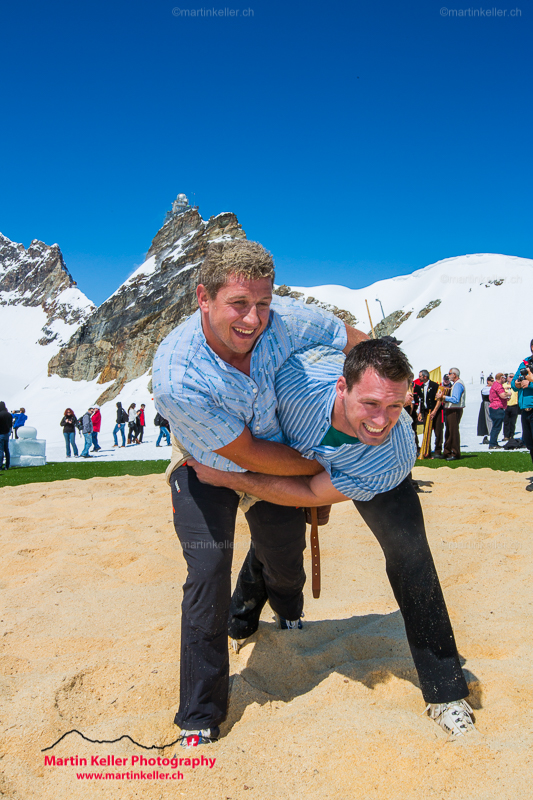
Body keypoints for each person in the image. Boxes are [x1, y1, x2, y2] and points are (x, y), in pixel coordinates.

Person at [189, 340, 475, 740]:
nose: (382, 418)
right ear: (342, 387)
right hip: (294, 451)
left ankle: (445, 693)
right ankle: (242, 620)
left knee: (411, 558)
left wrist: (231, 479)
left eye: (395, 406)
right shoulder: (294, 381)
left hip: (370, 470)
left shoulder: (391, 450)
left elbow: (311, 492)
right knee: (276, 539)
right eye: (372, 403)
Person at [152, 239, 368, 747]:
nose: (254, 319)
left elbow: (352, 339)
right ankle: (201, 712)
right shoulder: (176, 375)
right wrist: (331, 455)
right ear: (203, 297)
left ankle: (285, 607)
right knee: (206, 568)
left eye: (263, 303)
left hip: (276, 448)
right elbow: (245, 454)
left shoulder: (287, 319)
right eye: (239, 304)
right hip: (206, 463)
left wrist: (367, 399)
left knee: (284, 557)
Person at [511, 339, 533, 491]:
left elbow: (529, 381)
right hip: (525, 409)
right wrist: (518, 384)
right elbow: (514, 383)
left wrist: (530, 382)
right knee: (531, 445)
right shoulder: (525, 363)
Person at [413, 369, 439, 457]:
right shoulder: (421, 387)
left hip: (435, 411)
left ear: (425, 377)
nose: (419, 378)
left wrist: (434, 410)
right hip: (426, 412)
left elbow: (438, 400)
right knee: (426, 431)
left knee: (438, 431)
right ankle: (427, 450)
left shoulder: (435, 386)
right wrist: (421, 412)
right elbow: (421, 401)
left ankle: (438, 451)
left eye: (420, 376)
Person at [441, 368, 465, 461]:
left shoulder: (458, 384)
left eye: (450, 374)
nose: (448, 375)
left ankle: (455, 453)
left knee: (453, 431)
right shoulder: (455, 384)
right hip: (451, 409)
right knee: (449, 431)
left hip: (455, 410)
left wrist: (444, 397)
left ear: (454, 375)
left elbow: (455, 399)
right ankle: (447, 451)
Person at [488, 373, 510, 450]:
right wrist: (508, 394)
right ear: (501, 378)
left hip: (494, 407)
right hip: (497, 408)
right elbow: (502, 395)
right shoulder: (498, 385)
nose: (505, 379)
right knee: (496, 427)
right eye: (504, 378)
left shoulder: (494, 385)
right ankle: (493, 443)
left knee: (496, 426)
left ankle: (493, 442)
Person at [477, 376, 494, 445]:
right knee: (488, 419)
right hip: (486, 404)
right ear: (488, 381)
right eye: (492, 381)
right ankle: (489, 435)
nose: (493, 382)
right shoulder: (485, 389)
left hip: (491, 405)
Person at [502, 373, 520, 441]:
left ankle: (511, 435)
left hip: (514, 405)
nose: (511, 378)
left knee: (513, 422)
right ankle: (506, 435)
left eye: (513, 377)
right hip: (506, 405)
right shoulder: (504, 385)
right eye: (510, 377)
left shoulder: (515, 386)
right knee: (506, 421)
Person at [0, 401, 13, 470]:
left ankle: (0, 465)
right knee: (6, 450)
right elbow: (11, 425)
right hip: (6, 434)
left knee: (0, 450)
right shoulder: (9, 414)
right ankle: (7, 465)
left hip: (1, 434)